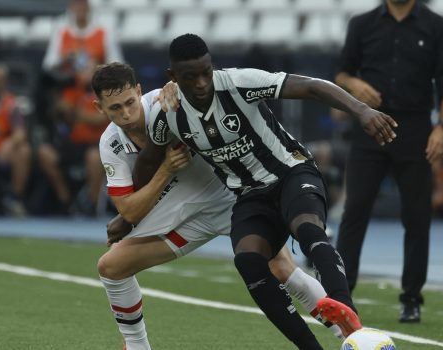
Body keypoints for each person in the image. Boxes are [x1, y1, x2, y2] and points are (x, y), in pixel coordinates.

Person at [137, 34, 397, 350]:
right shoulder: (168, 115)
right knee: (247, 258)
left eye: (206, 71)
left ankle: (349, 320)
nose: (203, 82)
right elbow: (147, 161)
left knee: (307, 229)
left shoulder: (239, 83)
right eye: (191, 77)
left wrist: (362, 111)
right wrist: (129, 210)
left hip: (291, 172)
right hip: (250, 196)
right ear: (173, 77)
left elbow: (312, 86)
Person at [92, 62, 342, 349]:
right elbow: (130, 210)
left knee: (283, 271)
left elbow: (206, 89)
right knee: (111, 267)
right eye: (115, 108)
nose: (126, 114)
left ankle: (350, 334)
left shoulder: (167, 101)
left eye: (129, 103)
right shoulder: (110, 144)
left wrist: (179, 88)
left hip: (232, 198)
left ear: (139, 91)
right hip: (185, 215)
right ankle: (138, 347)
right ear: (99, 107)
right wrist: (164, 172)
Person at [333, 0, 443, 323]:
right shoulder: (362, 24)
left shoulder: (437, 26)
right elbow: (342, 72)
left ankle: (412, 297)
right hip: (370, 126)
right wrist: (355, 84)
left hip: (415, 129)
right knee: (355, 209)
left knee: (417, 216)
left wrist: (442, 128)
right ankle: (342, 294)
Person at [37, 0, 123, 215]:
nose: (79, 10)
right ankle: (66, 201)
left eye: (83, 5)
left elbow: (118, 66)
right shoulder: (63, 32)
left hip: (94, 132)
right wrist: (67, 60)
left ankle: (90, 207)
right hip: (72, 129)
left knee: (95, 157)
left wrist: (95, 70)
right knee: (46, 151)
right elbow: (49, 66)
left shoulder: (103, 32)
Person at [0, 64, 31, 216]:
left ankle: (14, 199)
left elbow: (20, 133)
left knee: (23, 150)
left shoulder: (12, 105)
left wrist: (9, 144)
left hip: (2, 152)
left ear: (3, 83)